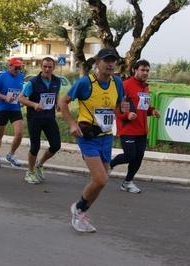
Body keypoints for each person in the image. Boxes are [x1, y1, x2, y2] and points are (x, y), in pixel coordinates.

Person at [58, 48, 129, 233]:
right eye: (106, 61)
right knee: (101, 180)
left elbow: (118, 109)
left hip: (106, 137)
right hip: (87, 137)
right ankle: (79, 208)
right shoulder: (85, 83)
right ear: (97, 63)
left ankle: (82, 211)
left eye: (113, 61)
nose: (110, 64)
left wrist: (123, 109)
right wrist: (72, 123)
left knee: (100, 181)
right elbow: (63, 102)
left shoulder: (117, 82)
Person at [109, 59, 161, 193]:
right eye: (142, 70)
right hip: (128, 128)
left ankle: (127, 182)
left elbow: (144, 107)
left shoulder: (145, 87)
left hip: (142, 130)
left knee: (138, 158)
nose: (145, 73)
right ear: (135, 70)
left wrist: (152, 111)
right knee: (130, 156)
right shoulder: (125, 85)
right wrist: (127, 115)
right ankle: (110, 165)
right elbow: (116, 107)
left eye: (147, 70)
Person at [18, 57, 61, 184]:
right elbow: (21, 98)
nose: (47, 69)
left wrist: (58, 103)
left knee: (56, 145)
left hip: (49, 118)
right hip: (34, 118)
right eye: (45, 67)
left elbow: (56, 94)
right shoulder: (33, 82)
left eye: (50, 67)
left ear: (53, 68)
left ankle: (40, 163)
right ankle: (29, 172)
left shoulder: (57, 81)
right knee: (35, 147)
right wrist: (34, 104)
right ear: (41, 67)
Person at [0, 57, 24, 168]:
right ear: (10, 66)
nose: (17, 70)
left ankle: (11, 155)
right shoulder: (2, 77)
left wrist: (21, 100)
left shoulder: (21, 77)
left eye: (19, 68)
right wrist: (5, 97)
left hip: (15, 109)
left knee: (19, 134)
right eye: (15, 68)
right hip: (2, 109)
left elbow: (20, 92)